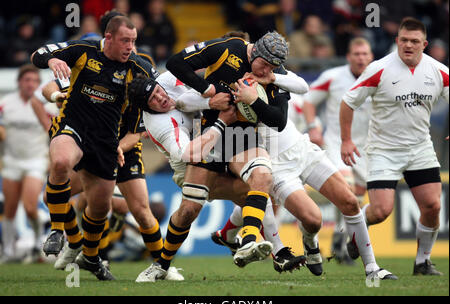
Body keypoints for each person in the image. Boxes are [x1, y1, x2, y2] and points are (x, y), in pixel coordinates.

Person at [31, 15, 158, 281]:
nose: (130, 47)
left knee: (99, 208)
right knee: (61, 162)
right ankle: (57, 231)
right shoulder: (83, 51)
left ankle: (90, 257)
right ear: (108, 38)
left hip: (106, 142)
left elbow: (162, 91)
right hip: (73, 126)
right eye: (125, 40)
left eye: (133, 41)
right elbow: (39, 55)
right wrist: (52, 60)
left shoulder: (138, 66)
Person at [161, 31, 291, 276]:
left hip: (244, 138)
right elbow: (175, 63)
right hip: (210, 134)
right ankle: (161, 264)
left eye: (272, 68)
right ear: (254, 51)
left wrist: (253, 100)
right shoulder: (226, 49)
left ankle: (248, 241)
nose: (266, 72)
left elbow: (279, 120)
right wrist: (207, 89)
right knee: (188, 210)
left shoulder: (276, 73)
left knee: (263, 176)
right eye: (263, 65)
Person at [340, 17, 449, 276]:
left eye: (414, 41)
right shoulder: (379, 69)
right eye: (403, 40)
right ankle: (354, 229)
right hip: (383, 151)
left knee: (433, 206)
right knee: (380, 211)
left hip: (420, 148)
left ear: (425, 44)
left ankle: (422, 263)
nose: (408, 45)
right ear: (396, 41)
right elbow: (348, 102)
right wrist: (346, 140)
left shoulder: (438, 70)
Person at [302, 37, 374, 264]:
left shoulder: (379, 76)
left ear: (371, 56)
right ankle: (342, 243)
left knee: (356, 200)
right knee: (348, 189)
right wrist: (313, 127)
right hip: (337, 142)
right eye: (357, 54)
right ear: (348, 57)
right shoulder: (333, 77)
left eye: (365, 54)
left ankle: (339, 240)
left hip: (367, 146)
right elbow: (309, 101)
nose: (361, 58)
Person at [0, 65, 47, 263]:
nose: (30, 84)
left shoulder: (45, 105)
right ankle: (8, 251)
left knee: (29, 206)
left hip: (36, 160)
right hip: (11, 160)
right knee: (9, 208)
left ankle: (37, 244)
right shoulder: (5, 103)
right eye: (26, 80)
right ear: (19, 82)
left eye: (34, 81)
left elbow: (52, 132)